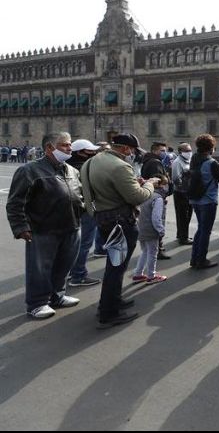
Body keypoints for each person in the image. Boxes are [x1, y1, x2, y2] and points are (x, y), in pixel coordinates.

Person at [81, 133, 159, 328]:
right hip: (120, 221)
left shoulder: (92, 161)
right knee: (116, 268)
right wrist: (150, 184)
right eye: (132, 150)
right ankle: (108, 313)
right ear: (125, 149)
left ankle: (113, 301)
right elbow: (137, 197)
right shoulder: (120, 166)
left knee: (115, 265)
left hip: (103, 217)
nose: (132, 154)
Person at [6, 132, 84, 319]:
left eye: (70, 144)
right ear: (49, 147)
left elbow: (78, 195)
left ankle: (57, 296)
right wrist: (21, 227)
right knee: (40, 269)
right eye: (65, 145)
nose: (70, 148)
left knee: (64, 265)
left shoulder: (72, 170)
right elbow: (15, 202)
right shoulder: (29, 170)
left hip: (71, 227)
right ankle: (37, 303)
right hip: (43, 230)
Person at [188, 134, 219, 269]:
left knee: (201, 229)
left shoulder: (194, 159)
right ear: (211, 148)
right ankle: (201, 260)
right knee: (205, 231)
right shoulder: (211, 163)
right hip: (208, 200)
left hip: (195, 199)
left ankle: (194, 258)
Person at [67, 139, 103, 287]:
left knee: (75, 243)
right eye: (90, 151)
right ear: (80, 152)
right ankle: (78, 275)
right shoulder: (84, 167)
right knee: (85, 243)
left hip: (73, 209)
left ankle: (73, 272)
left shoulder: (67, 165)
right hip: (86, 208)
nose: (94, 153)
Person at [132, 176, 169, 284]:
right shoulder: (158, 198)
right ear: (160, 185)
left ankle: (138, 274)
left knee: (145, 251)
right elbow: (156, 217)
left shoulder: (144, 195)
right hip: (151, 229)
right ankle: (151, 276)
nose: (166, 187)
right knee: (153, 252)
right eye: (165, 184)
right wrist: (160, 230)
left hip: (140, 227)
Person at [140, 142, 171, 260]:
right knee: (158, 221)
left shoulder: (150, 160)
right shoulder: (155, 163)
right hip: (156, 196)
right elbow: (158, 181)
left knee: (153, 220)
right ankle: (158, 249)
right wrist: (163, 194)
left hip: (151, 195)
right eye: (162, 150)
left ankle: (155, 248)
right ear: (154, 151)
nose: (164, 153)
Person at [171, 143, 194, 245]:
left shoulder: (189, 160)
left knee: (187, 215)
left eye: (190, 150)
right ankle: (184, 238)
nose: (189, 153)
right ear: (180, 152)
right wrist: (183, 186)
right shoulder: (177, 162)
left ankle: (181, 234)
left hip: (188, 191)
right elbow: (176, 179)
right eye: (187, 151)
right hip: (181, 192)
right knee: (183, 216)